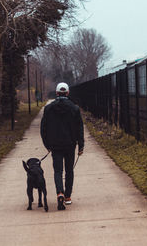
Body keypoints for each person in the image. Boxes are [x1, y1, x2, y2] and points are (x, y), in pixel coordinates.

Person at [40, 82, 84, 210]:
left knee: (58, 171)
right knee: (69, 170)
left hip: (55, 145)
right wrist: (80, 146)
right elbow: (79, 129)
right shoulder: (75, 109)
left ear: (57, 93)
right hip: (70, 144)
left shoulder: (49, 109)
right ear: (68, 93)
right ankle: (68, 197)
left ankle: (60, 192)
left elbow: (43, 129)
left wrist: (47, 144)